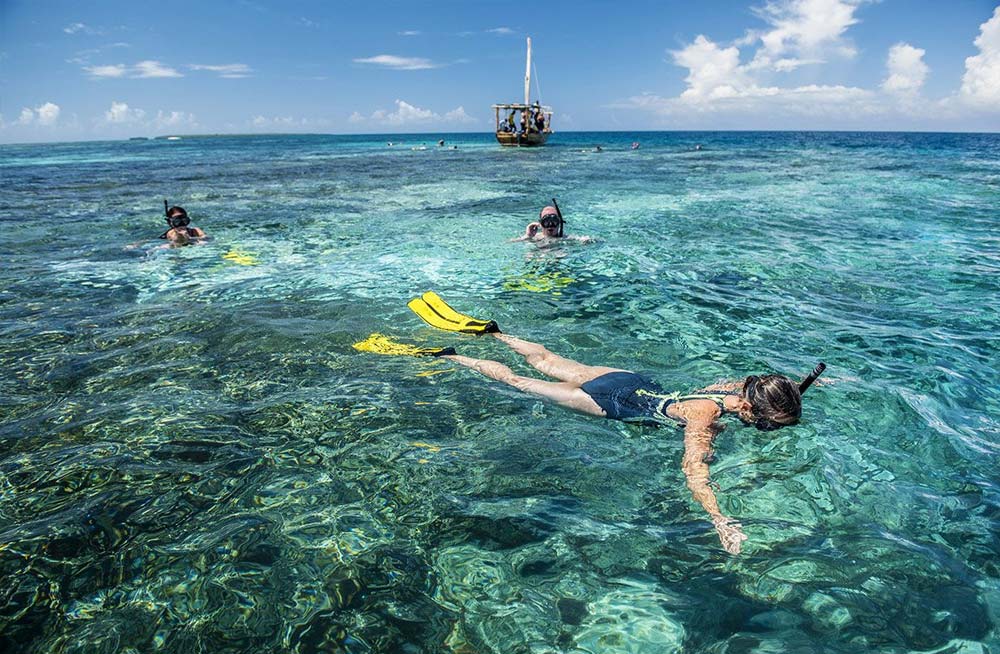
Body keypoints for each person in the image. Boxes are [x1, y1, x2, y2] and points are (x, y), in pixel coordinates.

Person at [441, 329, 823, 554]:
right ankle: (455, 357)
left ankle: (491, 332)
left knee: (544, 359)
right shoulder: (704, 416)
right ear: (751, 408)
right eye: (769, 425)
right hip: (615, 403)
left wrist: (804, 389)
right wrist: (720, 520)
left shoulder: (739, 389)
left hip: (630, 381)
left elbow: (777, 392)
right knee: (521, 382)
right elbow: (694, 470)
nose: (767, 430)